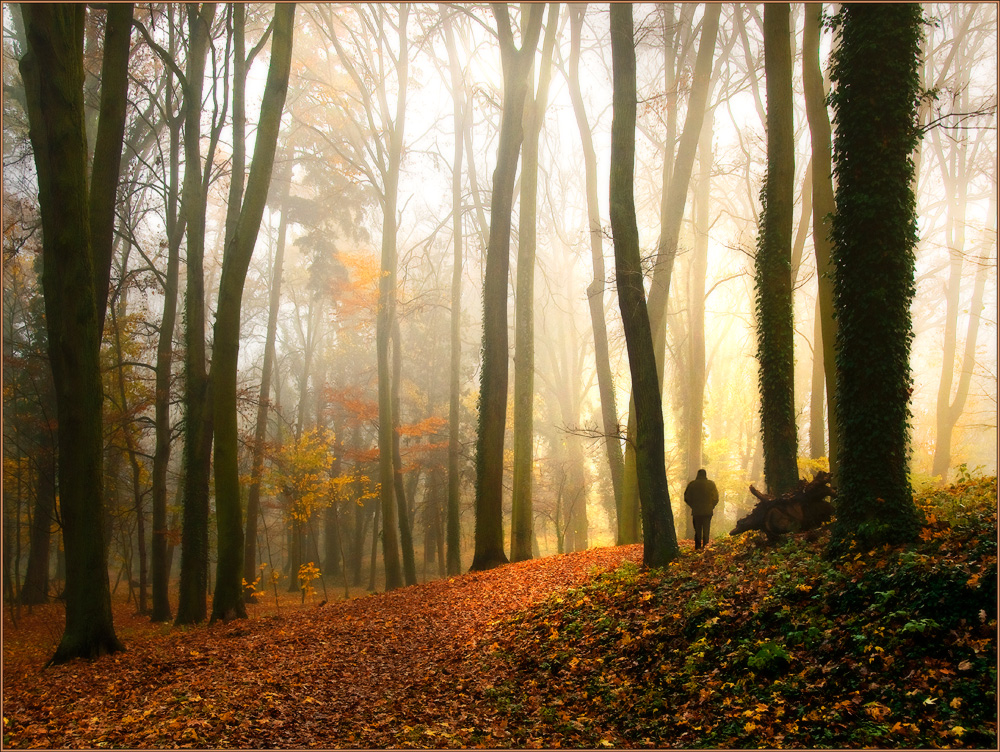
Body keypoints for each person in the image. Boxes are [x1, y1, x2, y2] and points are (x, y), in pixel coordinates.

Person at [684, 469, 719, 550]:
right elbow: (716, 498)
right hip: (708, 511)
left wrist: (693, 505)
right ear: (705, 475)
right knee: (706, 529)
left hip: (696, 511)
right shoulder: (711, 484)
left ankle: (698, 547)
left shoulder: (692, 484)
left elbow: (687, 497)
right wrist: (711, 506)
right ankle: (706, 547)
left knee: (697, 530)